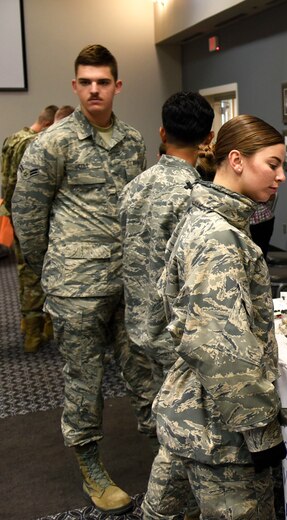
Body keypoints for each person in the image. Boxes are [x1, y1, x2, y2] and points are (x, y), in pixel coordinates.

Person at [12, 44, 151, 514]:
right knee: (84, 381)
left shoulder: (133, 141)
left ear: (117, 85)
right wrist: (52, 268)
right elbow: (27, 212)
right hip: (77, 288)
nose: (95, 89)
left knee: (145, 371)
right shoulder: (52, 143)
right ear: (75, 86)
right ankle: (92, 467)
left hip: (128, 283)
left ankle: (168, 453)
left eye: (103, 82)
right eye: (86, 82)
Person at [142, 114, 287, 520]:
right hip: (220, 432)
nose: (281, 177)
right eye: (273, 164)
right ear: (237, 160)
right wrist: (263, 432)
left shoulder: (203, 216)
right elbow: (221, 349)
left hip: (188, 413)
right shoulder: (220, 237)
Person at [119, 91, 214, 435]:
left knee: (158, 413)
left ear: (162, 134)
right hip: (177, 333)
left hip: (139, 324)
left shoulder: (133, 187)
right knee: (186, 425)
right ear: (208, 139)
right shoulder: (196, 195)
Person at [1, 104, 58, 352]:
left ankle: (29, 325)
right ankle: (36, 332)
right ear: (47, 125)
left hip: (13, 212)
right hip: (31, 215)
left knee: (24, 271)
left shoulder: (12, 139)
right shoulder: (33, 144)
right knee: (36, 271)